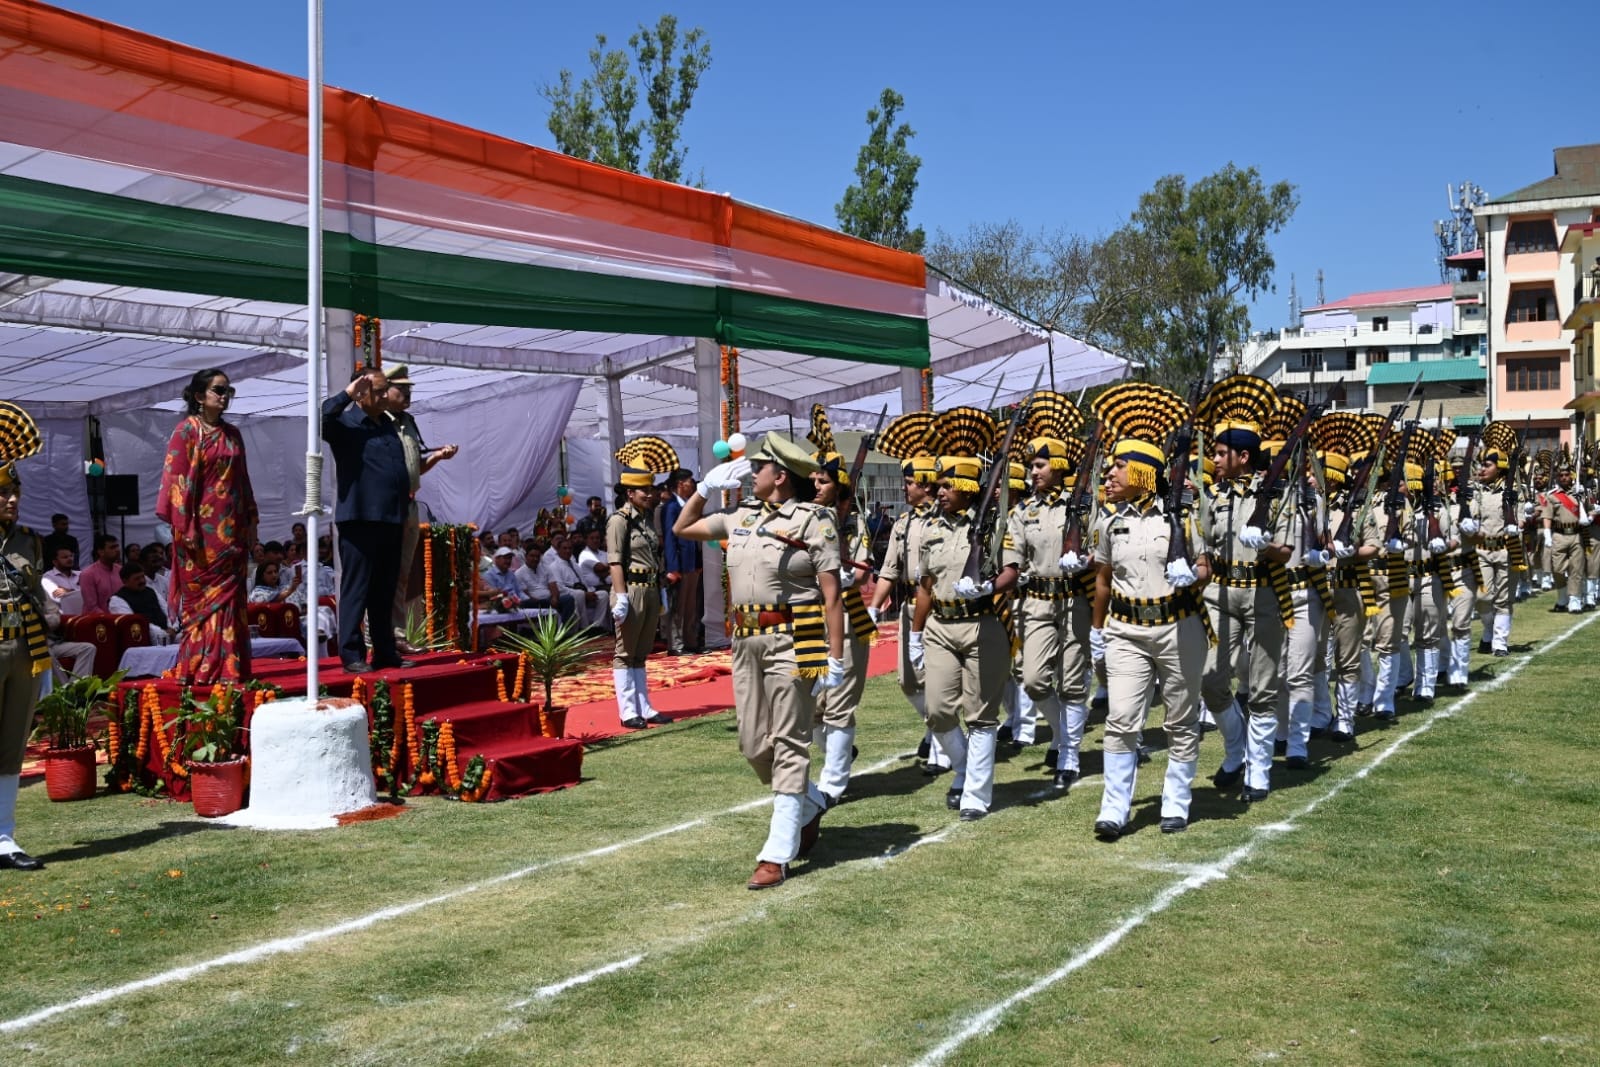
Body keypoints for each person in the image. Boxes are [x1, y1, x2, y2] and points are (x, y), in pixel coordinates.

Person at [673, 432, 846, 889]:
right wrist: (706, 488)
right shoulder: (739, 516)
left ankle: (777, 853)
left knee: (790, 740)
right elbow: (683, 529)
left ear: (780, 476)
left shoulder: (813, 520)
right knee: (753, 746)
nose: (750, 473)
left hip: (796, 636)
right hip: (745, 641)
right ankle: (809, 804)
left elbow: (831, 595)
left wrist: (835, 656)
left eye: (757, 467)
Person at [1088, 383, 1210, 838]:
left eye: (1120, 464)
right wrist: (1097, 630)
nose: (1111, 471)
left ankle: (1175, 803)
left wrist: (1192, 576)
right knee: (1120, 719)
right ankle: (1114, 809)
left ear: (1142, 471)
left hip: (1178, 628)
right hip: (1124, 630)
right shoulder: (1108, 519)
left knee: (1180, 719)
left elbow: (1205, 567)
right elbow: (1101, 580)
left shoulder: (1184, 515)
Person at [912, 406, 1018, 822]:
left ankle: (975, 791)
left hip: (981, 623)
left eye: (946, 485)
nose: (939, 491)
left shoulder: (994, 525)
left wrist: (989, 586)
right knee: (937, 710)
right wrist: (915, 634)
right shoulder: (930, 527)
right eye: (936, 485)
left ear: (967, 487)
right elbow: (924, 585)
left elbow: (1012, 570)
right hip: (940, 623)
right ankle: (962, 766)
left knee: (980, 714)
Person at [1195, 374, 1283, 803]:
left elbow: (1288, 553)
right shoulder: (1213, 496)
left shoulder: (1276, 494)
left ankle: (1259, 770)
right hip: (1221, 594)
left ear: (1243, 457)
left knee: (1264, 686)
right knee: (1209, 677)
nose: (1214, 459)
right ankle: (1235, 750)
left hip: (1265, 594)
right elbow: (1204, 548)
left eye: (1220, 452)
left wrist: (1266, 546)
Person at [1003, 392, 1092, 792]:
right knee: (1036, 680)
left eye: (1039, 465)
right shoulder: (1022, 512)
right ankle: (1060, 732)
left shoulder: (1084, 505)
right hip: (1037, 600)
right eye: (1030, 465)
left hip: (1076, 598)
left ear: (1057, 467)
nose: (1032, 472)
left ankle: (1069, 753)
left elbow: (1100, 547)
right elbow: (1014, 557)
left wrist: (1087, 560)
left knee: (1073, 681)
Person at [156, 368, 257, 683]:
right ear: (200, 396)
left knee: (232, 599)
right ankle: (200, 665)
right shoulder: (186, 431)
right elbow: (174, 482)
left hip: (233, 532)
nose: (225, 396)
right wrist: (185, 529)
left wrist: (252, 521)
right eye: (219, 390)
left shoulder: (233, 434)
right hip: (199, 534)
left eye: (228, 390)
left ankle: (230, 666)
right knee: (204, 602)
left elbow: (243, 482)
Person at [869, 413, 950, 775]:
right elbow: (889, 569)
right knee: (907, 680)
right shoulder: (904, 522)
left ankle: (942, 745)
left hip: (938, 608)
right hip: (907, 606)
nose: (905, 489)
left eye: (908, 483)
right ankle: (935, 728)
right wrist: (873, 607)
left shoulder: (943, 519)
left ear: (926, 484)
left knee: (936, 679)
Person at [806, 406, 877, 806]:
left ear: (839, 485)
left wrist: (851, 573)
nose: (816, 486)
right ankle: (841, 754)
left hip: (847, 616)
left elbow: (866, 567)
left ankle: (833, 782)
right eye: (813, 480)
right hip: (810, 619)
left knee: (838, 705)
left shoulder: (852, 521)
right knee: (812, 707)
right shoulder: (804, 517)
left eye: (824, 481)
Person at [322, 366, 411, 674]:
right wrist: (346, 395)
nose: (386, 395)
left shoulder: (386, 424)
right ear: (361, 392)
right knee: (357, 587)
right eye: (379, 390)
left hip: (390, 517)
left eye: (386, 389)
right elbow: (324, 417)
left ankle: (385, 651)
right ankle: (351, 652)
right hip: (360, 518)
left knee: (384, 589)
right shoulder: (345, 423)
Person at [0, 413, 52, 870]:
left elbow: (36, 593)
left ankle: (5, 838)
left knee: (13, 745)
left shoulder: (28, 541)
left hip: (25, 650)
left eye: (14, 492)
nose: (12, 499)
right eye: (3, 493)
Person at [382, 366, 459, 644]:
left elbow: (415, 468)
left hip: (410, 506)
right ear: (384, 390)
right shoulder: (378, 422)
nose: (407, 394)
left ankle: (398, 636)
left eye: (409, 390)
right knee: (384, 573)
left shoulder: (409, 422)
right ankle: (377, 636)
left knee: (402, 574)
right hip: (387, 507)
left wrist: (438, 456)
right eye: (401, 389)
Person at [607, 437, 675, 729]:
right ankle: (627, 710)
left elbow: (653, 556)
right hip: (631, 591)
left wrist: (660, 589)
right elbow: (615, 562)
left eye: (652, 489)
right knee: (625, 652)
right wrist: (621, 597)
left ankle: (644, 706)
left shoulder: (646, 519)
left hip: (649, 589)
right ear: (630, 492)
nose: (651, 494)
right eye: (645, 490)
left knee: (641, 652)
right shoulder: (620, 521)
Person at [1463, 422, 1520, 657]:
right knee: (1482, 596)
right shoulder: (1477, 490)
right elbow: (1472, 514)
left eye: (1487, 465)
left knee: (1503, 598)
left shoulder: (1516, 489)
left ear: (1500, 467)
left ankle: (1499, 642)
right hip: (1482, 550)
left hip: (1507, 549)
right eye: (1481, 465)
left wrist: (1521, 519)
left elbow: (1524, 512)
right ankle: (1488, 630)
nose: (1482, 469)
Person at [661, 468, 704, 655]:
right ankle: (676, 644)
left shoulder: (687, 505)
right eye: (689, 481)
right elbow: (670, 539)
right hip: (679, 563)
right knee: (677, 606)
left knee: (690, 606)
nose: (692, 485)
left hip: (692, 562)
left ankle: (690, 641)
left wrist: (698, 561)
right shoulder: (671, 507)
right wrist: (672, 567)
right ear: (680, 484)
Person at [79, 533, 122, 615]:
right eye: (112, 547)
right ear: (101, 552)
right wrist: (111, 619)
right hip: (97, 621)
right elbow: (91, 607)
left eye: (117, 546)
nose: (117, 550)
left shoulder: (121, 570)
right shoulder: (88, 574)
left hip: (120, 619)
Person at [41, 546, 83, 616]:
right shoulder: (48, 577)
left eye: (71, 556)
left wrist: (68, 591)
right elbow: (59, 598)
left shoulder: (81, 574)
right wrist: (81, 591)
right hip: (63, 619)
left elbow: (92, 594)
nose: (70, 559)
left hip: (85, 615)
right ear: (55, 562)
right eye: (65, 557)